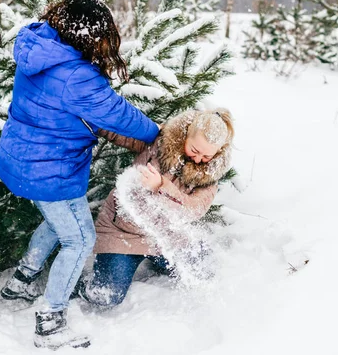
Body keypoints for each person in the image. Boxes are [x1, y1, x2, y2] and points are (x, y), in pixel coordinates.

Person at [0, 0, 160, 350]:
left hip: (20, 159)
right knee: (80, 238)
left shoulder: (39, 46)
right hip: (49, 170)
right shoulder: (76, 77)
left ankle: (22, 280)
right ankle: (50, 321)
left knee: (57, 223)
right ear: (85, 35)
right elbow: (119, 114)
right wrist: (158, 136)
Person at [77, 108, 235, 310]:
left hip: (167, 236)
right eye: (195, 150)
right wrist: (89, 117)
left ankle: (155, 259)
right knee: (106, 296)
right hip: (124, 233)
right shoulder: (160, 141)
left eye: (206, 156)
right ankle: (82, 284)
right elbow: (121, 131)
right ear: (186, 135)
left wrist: (161, 186)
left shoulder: (210, 174)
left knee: (204, 270)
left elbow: (193, 210)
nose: (198, 159)